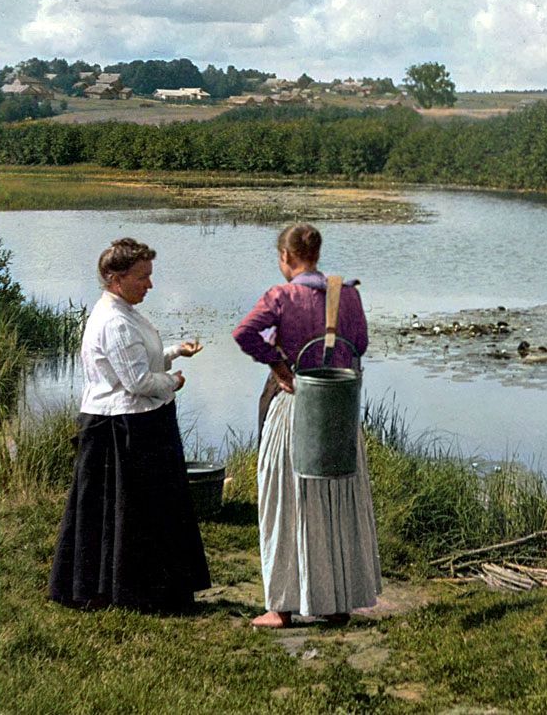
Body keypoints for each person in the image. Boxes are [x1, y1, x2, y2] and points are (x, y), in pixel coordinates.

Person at [233, 223, 381, 629]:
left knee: (286, 500)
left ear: (286, 257)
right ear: (316, 254)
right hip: (337, 409)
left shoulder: (282, 295)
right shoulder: (347, 293)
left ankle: (281, 607)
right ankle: (336, 603)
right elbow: (361, 344)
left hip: (297, 404)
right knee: (336, 502)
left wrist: (279, 364)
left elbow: (244, 333)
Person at [50, 238, 210, 613]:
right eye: (143, 277)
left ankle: (136, 588)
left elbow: (140, 362)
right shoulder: (114, 321)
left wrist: (172, 352)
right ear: (116, 278)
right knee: (127, 513)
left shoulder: (124, 311)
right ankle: (130, 591)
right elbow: (138, 383)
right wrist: (174, 382)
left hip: (132, 421)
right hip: (122, 427)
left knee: (129, 512)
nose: (150, 285)